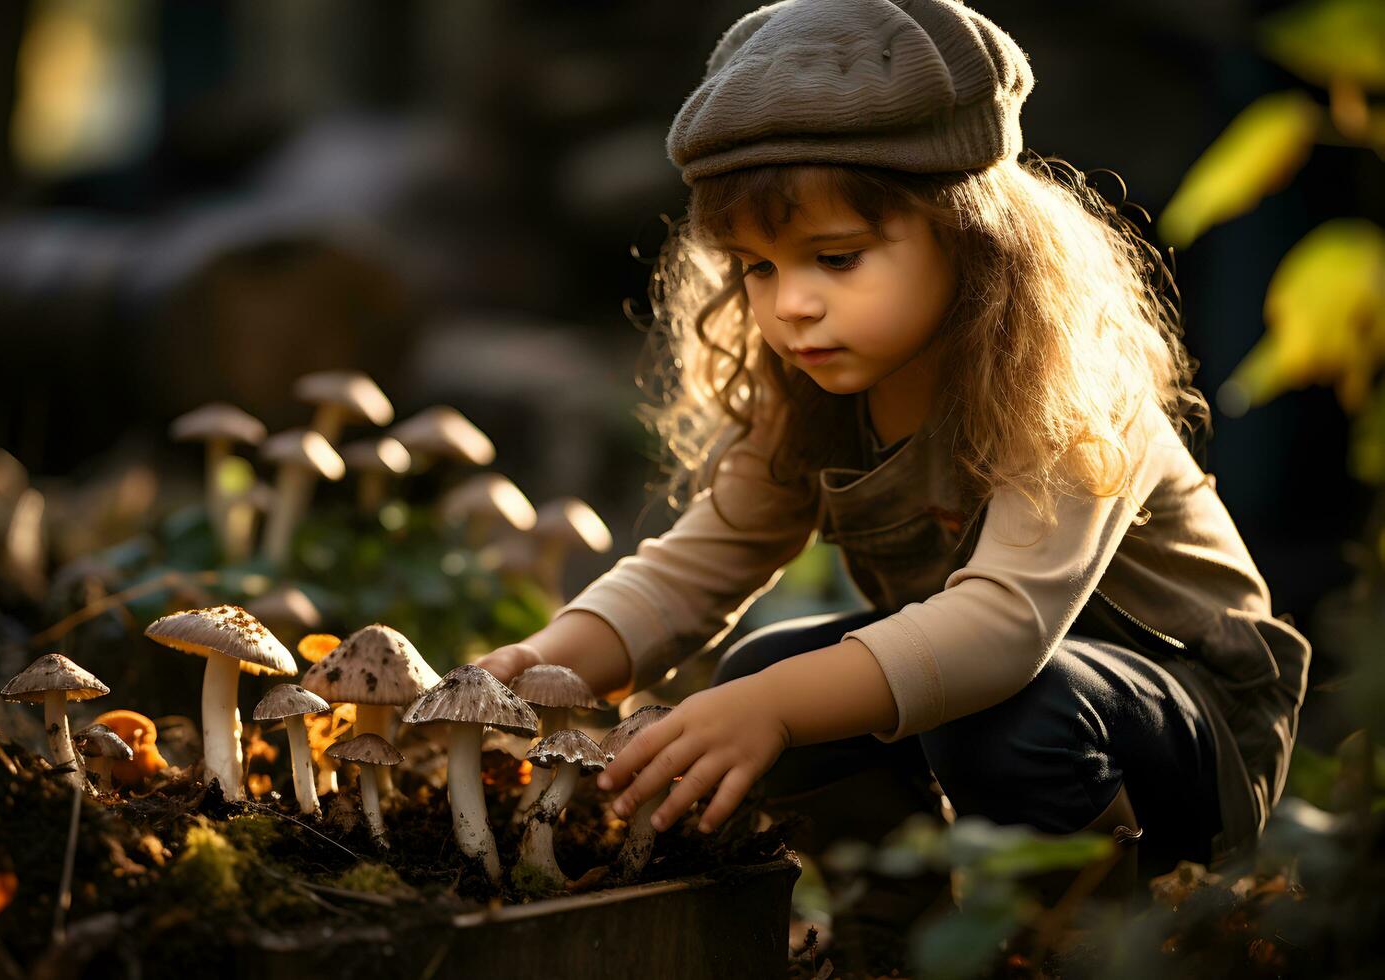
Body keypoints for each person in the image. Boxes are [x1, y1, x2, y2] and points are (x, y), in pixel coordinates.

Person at [476, 0, 1309, 913]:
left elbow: (1003, 628)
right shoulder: (814, 395)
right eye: (758, 266)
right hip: (979, 697)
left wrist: (781, 706)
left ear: (972, 238)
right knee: (758, 672)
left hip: (1181, 730)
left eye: (836, 258)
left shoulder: (1068, 390)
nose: (791, 303)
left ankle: (1088, 939)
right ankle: (900, 930)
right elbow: (697, 566)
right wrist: (547, 663)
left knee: (996, 710)